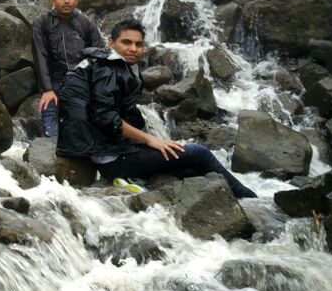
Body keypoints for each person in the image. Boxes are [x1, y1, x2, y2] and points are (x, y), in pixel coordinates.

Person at [56, 19, 257, 198]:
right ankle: (250, 200)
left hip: (109, 150)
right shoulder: (109, 68)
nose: (133, 48)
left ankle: (228, 199)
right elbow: (105, 117)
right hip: (112, 159)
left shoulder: (108, 65)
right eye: (126, 42)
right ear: (111, 43)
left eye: (138, 44)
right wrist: (151, 139)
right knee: (199, 153)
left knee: (191, 169)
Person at [31, 0, 106, 139]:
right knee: (50, 126)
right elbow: (40, 54)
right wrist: (47, 89)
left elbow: (99, 54)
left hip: (82, 81)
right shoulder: (42, 22)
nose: (66, 1)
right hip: (55, 81)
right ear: (53, 0)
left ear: (77, 0)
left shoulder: (85, 23)